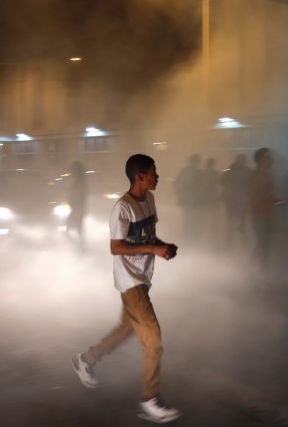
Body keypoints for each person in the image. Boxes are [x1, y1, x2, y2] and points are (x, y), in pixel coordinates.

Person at [72, 154, 181, 424]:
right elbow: (116, 246)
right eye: (154, 172)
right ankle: (150, 399)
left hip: (142, 279)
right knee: (153, 339)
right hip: (130, 282)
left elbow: (146, 236)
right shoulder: (122, 208)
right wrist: (152, 248)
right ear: (139, 176)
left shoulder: (150, 201)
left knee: (126, 328)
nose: (158, 176)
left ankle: (86, 359)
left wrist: (162, 245)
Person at [243, 147, 282, 273]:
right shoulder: (257, 176)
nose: (272, 159)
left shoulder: (266, 175)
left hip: (265, 214)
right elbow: (251, 197)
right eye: (268, 157)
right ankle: (262, 272)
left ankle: (252, 269)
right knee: (264, 245)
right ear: (261, 160)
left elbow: (268, 196)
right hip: (259, 216)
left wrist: (279, 201)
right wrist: (243, 220)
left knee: (263, 244)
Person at [220, 154, 250, 247]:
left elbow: (222, 180)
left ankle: (235, 244)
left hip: (237, 200)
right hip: (234, 200)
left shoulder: (243, 171)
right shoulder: (235, 170)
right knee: (234, 224)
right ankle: (236, 244)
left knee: (236, 224)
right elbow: (222, 180)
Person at [174, 153, 202, 240]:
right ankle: (190, 237)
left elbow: (176, 183)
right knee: (190, 220)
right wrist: (180, 193)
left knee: (190, 220)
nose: (195, 163)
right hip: (189, 199)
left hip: (191, 199)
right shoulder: (193, 171)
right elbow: (176, 183)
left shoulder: (194, 172)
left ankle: (189, 237)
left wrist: (180, 193)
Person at [66, 160, 88, 251]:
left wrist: (73, 201)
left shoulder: (78, 182)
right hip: (78, 207)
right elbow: (84, 193)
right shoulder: (80, 181)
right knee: (77, 228)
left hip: (77, 207)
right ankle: (80, 247)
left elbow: (79, 194)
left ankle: (79, 247)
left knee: (71, 228)